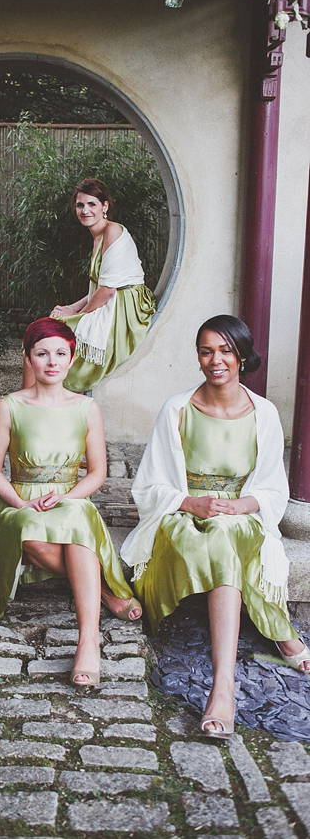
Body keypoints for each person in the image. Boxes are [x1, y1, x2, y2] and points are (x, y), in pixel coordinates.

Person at [120, 314, 310, 738]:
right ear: (198, 357)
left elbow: (274, 491)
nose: (215, 360)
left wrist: (240, 504)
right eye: (206, 351)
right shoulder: (178, 409)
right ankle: (273, 640)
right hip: (183, 520)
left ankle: (222, 685)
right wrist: (192, 502)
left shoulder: (263, 413)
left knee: (227, 535)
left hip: (241, 519)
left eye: (225, 350)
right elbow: (148, 486)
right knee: (218, 535)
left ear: (242, 356)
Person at [0, 317, 142, 685]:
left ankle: (88, 642)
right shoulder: (9, 406)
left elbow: (97, 473)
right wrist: (20, 503)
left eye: (60, 353)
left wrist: (67, 496)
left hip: (70, 496)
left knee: (77, 524)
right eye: (42, 353)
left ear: (71, 358)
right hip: (20, 501)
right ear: (29, 358)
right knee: (30, 536)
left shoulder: (86, 408)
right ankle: (107, 596)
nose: (51, 361)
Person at [24, 179, 155, 393]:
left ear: (105, 206)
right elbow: (98, 288)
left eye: (92, 204)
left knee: (43, 337)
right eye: (80, 205)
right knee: (40, 334)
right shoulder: (97, 237)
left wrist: (79, 316)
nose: (85, 210)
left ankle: (32, 402)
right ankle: (32, 402)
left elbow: (108, 290)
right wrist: (72, 308)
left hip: (124, 310)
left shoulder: (113, 231)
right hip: (111, 300)